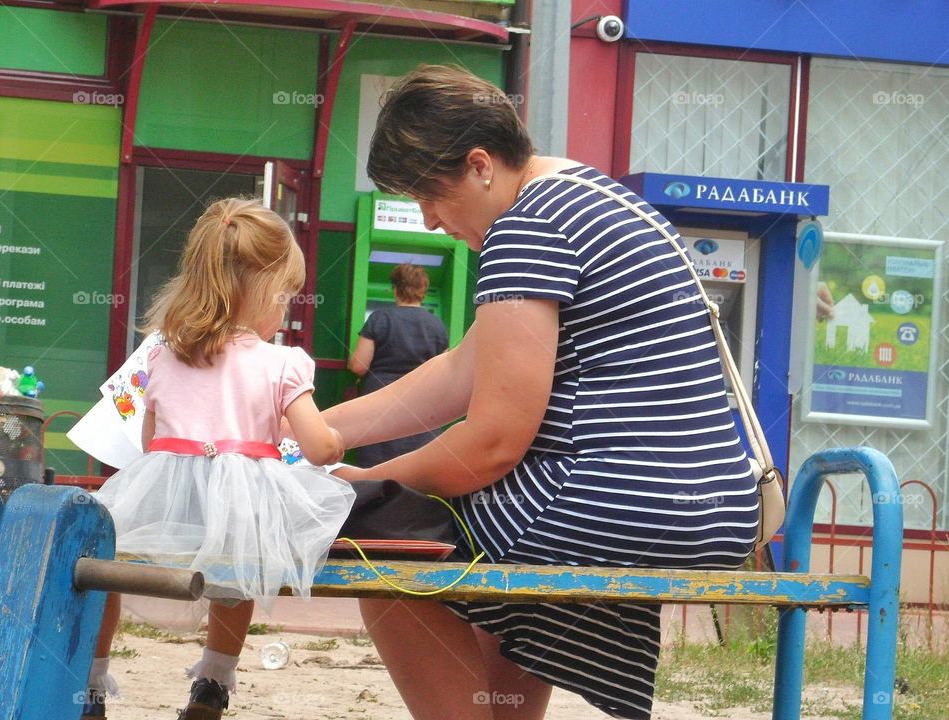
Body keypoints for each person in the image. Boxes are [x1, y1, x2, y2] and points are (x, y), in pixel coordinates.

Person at [322, 65, 760, 720]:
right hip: (712, 502)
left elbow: (495, 443)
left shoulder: (526, 227)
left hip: (616, 498)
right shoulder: (587, 194)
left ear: (479, 166)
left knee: (384, 554)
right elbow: (462, 371)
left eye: (429, 196)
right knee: (493, 571)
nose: (430, 221)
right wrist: (330, 432)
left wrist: (364, 482)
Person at [83, 198, 355, 720]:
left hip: (164, 500)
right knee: (242, 571)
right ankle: (213, 681)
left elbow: (149, 440)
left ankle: (92, 684)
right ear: (261, 291)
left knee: (109, 569)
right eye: (285, 297)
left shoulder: (162, 354)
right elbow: (319, 447)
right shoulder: (283, 362)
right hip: (240, 505)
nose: (286, 311)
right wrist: (334, 440)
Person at [347, 263, 449, 466]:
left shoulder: (380, 318)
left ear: (395, 289)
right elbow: (444, 372)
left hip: (379, 401)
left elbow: (359, 365)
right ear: (424, 291)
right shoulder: (437, 325)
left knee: (374, 472)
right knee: (415, 467)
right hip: (421, 404)